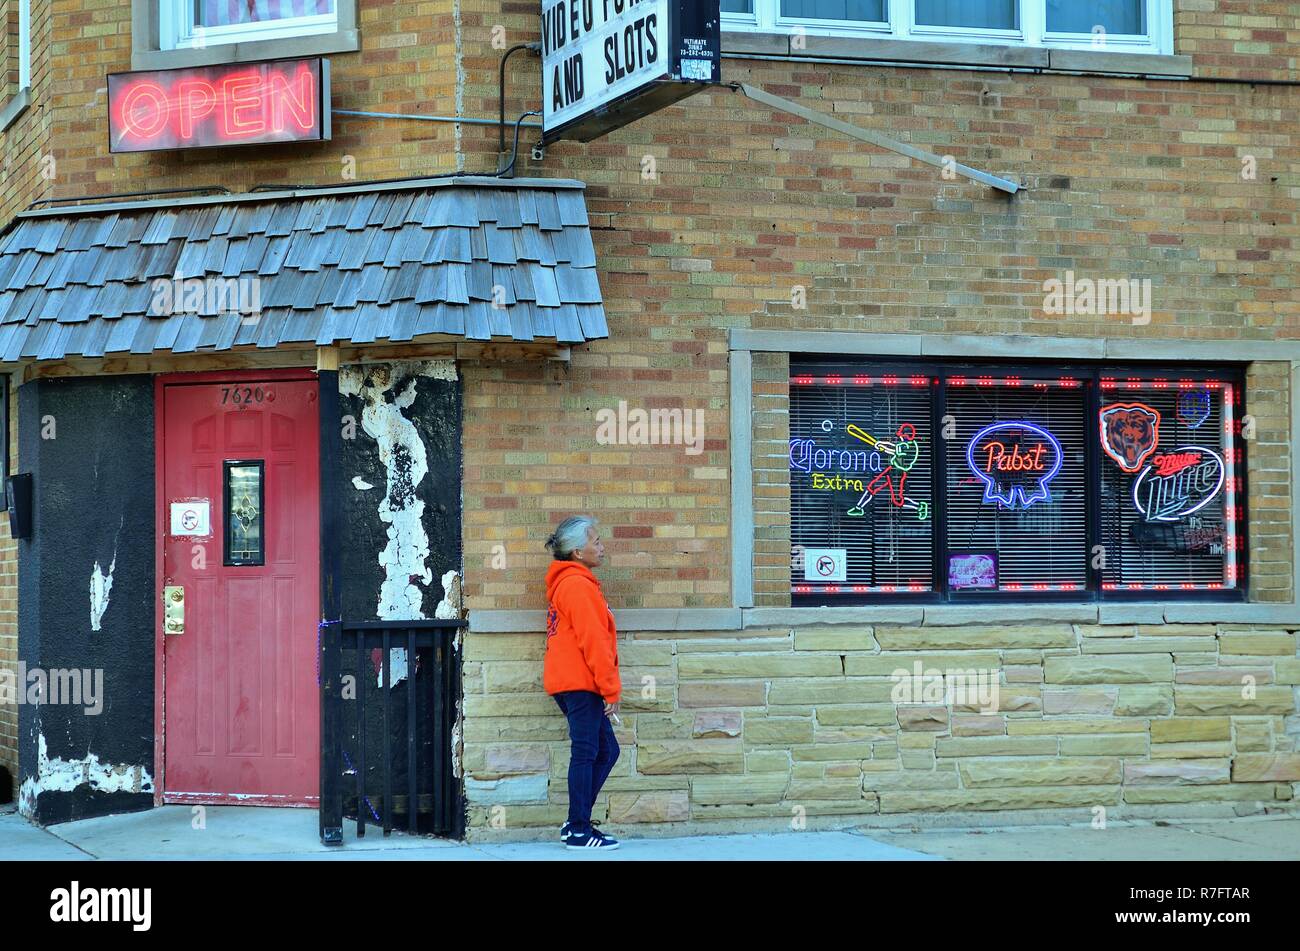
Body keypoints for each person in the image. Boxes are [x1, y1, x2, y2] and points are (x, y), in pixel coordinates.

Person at [543, 515, 622, 850]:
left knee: (606, 750)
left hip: (575, 682)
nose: (602, 547)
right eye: (597, 541)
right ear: (577, 551)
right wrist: (611, 690)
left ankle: (577, 822)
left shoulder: (576, 583)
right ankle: (578, 830)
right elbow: (595, 641)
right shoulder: (576, 585)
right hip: (580, 683)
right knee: (588, 752)